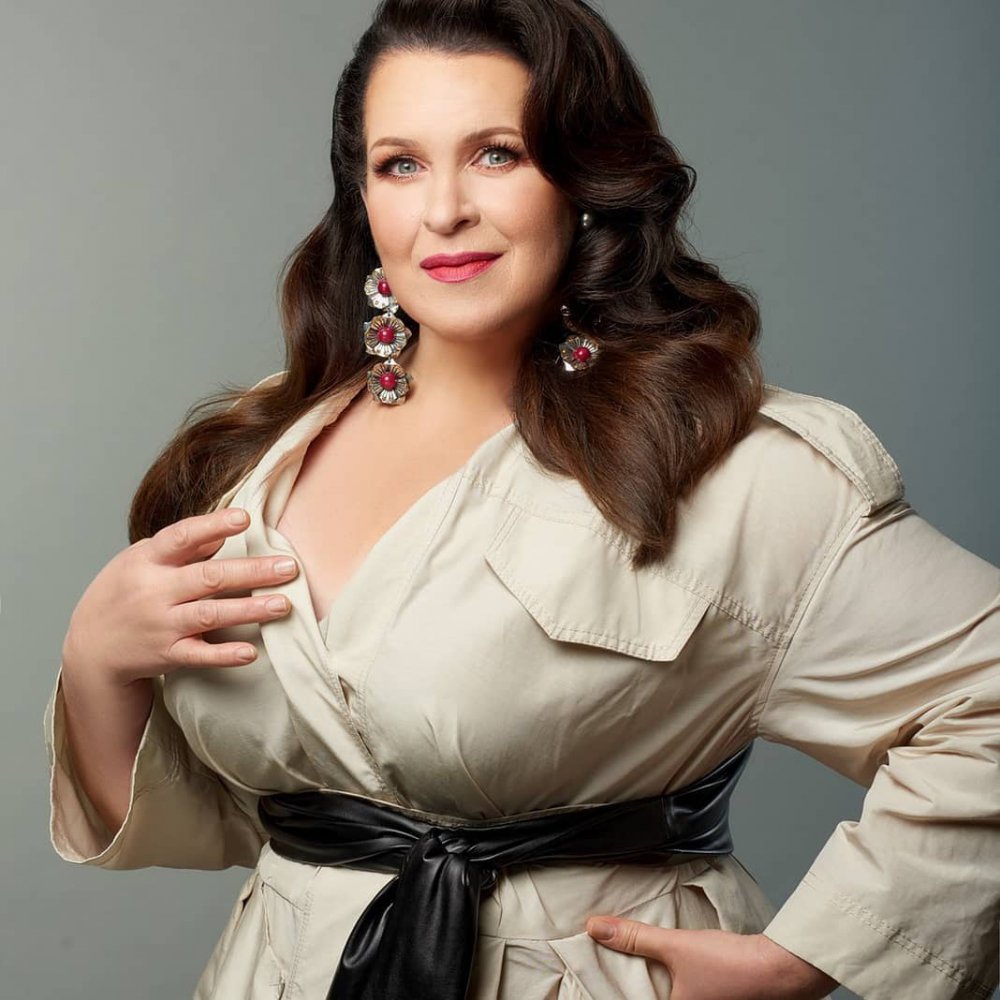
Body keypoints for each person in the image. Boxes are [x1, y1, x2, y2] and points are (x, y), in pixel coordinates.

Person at [43, 1, 999, 998]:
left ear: (586, 179)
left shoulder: (723, 463)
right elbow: (221, 823)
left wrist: (806, 959)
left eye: (496, 154)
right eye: (400, 164)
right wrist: (97, 660)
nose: (444, 210)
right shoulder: (256, 455)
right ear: (361, 196)